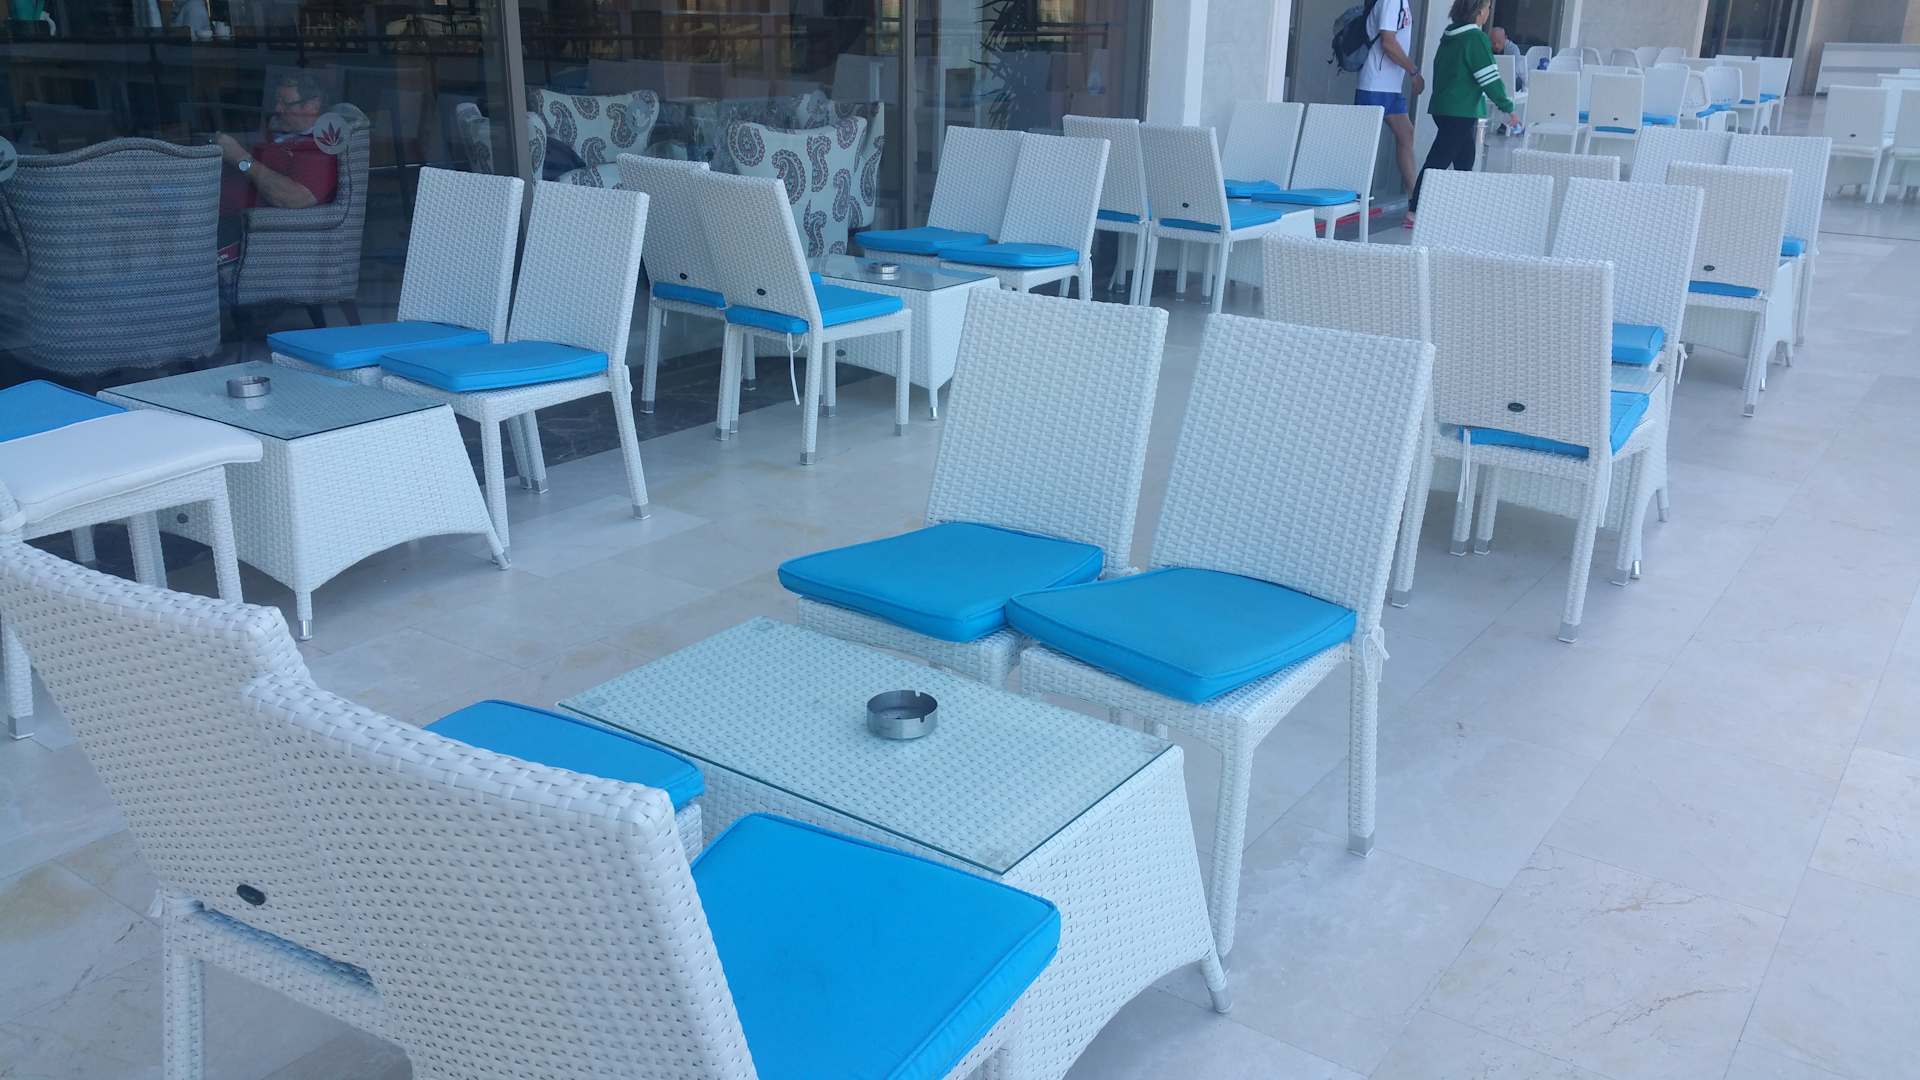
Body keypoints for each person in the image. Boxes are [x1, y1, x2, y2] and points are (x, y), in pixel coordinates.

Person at [1404, 0, 1519, 227]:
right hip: (1461, 110)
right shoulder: (1475, 38)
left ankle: (1462, 210)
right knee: (1439, 159)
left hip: (1444, 107)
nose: (1489, 12)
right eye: (1487, 7)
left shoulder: (1450, 36)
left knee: (1464, 158)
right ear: (1479, 11)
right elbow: (1488, 78)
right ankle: (1415, 211)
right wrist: (1507, 107)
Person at [214, 71, 340, 257]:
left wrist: (240, 158)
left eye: (286, 103)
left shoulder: (320, 144)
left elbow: (295, 197)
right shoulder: (283, 133)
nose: (278, 109)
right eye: (277, 101)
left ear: (314, 105)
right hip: (217, 213)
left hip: (243, 231)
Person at [1355, 0, 1423, 201]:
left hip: (1390, 86)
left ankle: (1413, 199)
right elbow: (1388, 42)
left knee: (1406, 134)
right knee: (1365, 143)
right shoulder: (1391, 1)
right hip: (1375, 84)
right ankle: (1357, 196)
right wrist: (1413, 71)